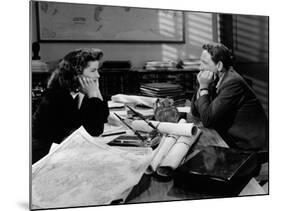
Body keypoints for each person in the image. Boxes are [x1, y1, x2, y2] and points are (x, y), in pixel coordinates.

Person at [32, 48, 109, 164]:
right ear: (76, 74)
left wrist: (96, 93)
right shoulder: (56, 96)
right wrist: (93, 94)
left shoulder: (81, 91)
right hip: (47, 158)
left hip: (69, 153)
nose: (98, 75)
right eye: (93, 71)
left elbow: (102, 119)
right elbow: (93, 131)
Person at [191, 42, 268, 151]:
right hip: (230, 139)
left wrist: (204, 87)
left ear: (219, 66)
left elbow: (207, 120)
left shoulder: (232, 83)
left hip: (249, 148)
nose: (200, 67)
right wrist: (201, 85)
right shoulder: (217, 78)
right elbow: (195, 112)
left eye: (204, 63)